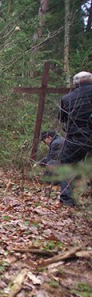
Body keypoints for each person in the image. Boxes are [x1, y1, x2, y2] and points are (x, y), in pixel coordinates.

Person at [57, 71, 92, 206]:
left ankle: (66, 200)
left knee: (67, 167)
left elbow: (62, 119)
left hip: (74, 139)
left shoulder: (67, 98)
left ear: (76, 83)